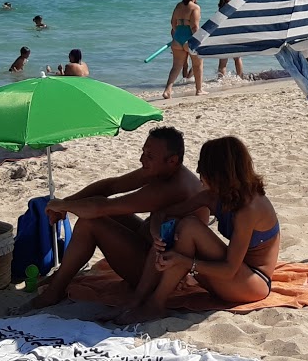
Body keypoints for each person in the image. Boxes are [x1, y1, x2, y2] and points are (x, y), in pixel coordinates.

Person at [28, 126, 202, 308]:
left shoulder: (175, 187)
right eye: (143, 152)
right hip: (152, 249)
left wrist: (63, 206)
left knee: (90, 222)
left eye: (150, 156)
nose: (142, 159)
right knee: (106, 212)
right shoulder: (164, 169)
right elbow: (111, 187)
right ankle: (61, 275)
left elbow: (104, 207)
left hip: (160, 274)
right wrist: (66, 203)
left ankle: (55, 291)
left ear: (172, 160)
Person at [119, 135, 281, 321]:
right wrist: (157, 232)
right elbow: (164, 213)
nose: (197, 171)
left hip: (253, 283)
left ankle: (155, 304)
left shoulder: (249, 209)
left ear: (219, 173)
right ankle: (137, 300)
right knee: (176, 228)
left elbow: (229, 270)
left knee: (190, 227)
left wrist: (182, 261)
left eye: (202, 167)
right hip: (234, 274)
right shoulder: (213, 196)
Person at [163, 0, 203, 99]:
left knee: (176, 67)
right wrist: (198, 40)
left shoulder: (178, 6)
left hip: (177, 38)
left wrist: (177, 35)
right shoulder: (195, 8)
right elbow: (194, 27)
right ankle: (199, 90)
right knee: (198, 64)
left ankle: (167, 90)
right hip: (189, 39)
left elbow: (173, 23)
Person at [213, 0, 245, 80]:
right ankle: (240, 77)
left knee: (223, 61)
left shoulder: (218, 14)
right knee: (237, 59)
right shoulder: (234, 13)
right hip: (234, 37)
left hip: (223, 39)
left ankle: (220, 80)